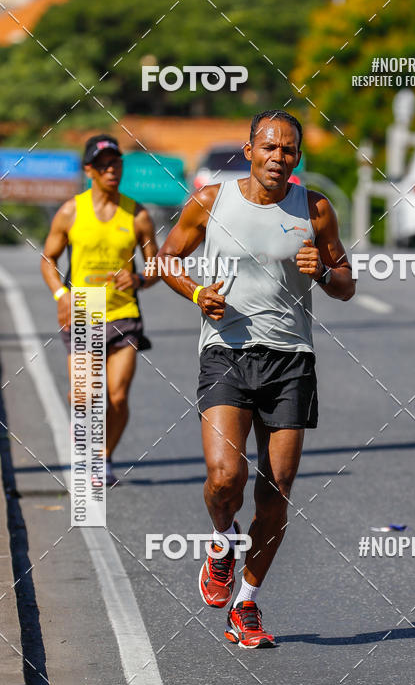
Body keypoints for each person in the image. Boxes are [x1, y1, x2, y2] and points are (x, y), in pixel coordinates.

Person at [157, 109, 355, 648]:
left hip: (291, 360)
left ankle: (246, 604)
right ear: (249, 151)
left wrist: (324, 271)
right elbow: (166, 258)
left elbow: (345, 284)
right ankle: (222, 542)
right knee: (226, 479)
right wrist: (197, 293)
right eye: (269, 147)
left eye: (289, 150)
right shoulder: (212, 201)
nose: (279, 157)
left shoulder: (314, 207)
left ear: (297, 157)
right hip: (227, 352)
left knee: (276, 491)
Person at [40, 134, 159, 485]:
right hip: (82, 311)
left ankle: (103, 459)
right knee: (84, 394)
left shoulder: (137, 215)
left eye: (117, 163)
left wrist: (137, 279)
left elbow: (156, 269)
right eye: (104, 165)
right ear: (89, 169)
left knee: (117, 396)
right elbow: (48, 260)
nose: (112, 170)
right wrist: (61, 295)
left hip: (124, 315)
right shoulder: (70, 212)